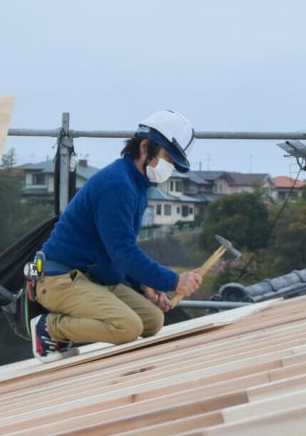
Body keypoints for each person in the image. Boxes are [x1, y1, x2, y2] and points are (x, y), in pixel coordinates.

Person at [30, 110, 204, 363]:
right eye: (168, 157)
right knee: (128, 327)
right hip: (59, 279)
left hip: (93, 277)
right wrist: (173, 281)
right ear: (145, 147)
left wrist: (144, 284)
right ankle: (49, 327)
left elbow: (117, 250)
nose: (170, 168)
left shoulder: (137, 186)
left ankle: (61, 327)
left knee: (153, 320)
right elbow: (122, 252)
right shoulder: (118, 185)